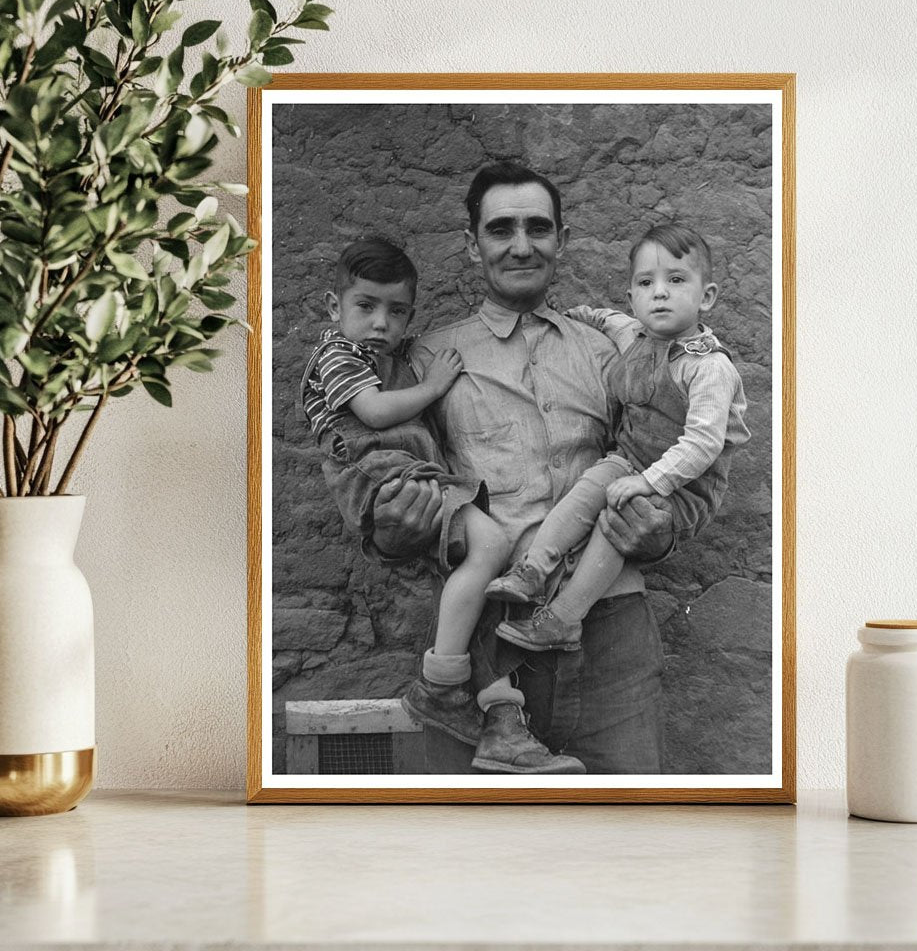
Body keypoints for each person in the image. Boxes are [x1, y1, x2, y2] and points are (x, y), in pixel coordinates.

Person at [370, 163, 728, 774]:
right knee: (478, 833)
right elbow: (390, 478)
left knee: (629, 824)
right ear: (472, 244)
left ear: (561, 240)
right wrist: (391, 527)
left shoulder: (619, 352)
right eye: (500, 229)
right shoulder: (429, 359)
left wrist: (664, 528)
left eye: (537, 228)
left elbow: (686, 459)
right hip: (486, 646)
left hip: (611, 638)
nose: (521, 245)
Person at [300, 238, 520, 757]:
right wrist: (435, 385)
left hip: (407, 472)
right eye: (366, 306)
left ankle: (493, 700)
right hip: (380, 473)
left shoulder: (383, 354)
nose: (381, 323)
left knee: (473, 576)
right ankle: (441, 684)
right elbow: (374, 413)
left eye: (396, 312)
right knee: (491, 545)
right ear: (334, 307)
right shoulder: (338, 354)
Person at [488, 221, 751, 652]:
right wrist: (572, 317)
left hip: (684, 489)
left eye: (676, 280)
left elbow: (703, 444)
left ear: (706, 297)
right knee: (587, 488)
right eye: (646, 283)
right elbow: (606, 319)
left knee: (618, 520)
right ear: (632, 299)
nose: (659, 293)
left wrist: (647, 482)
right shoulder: (635, 335)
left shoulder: (708, 367)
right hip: (631, 459)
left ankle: (563, 619)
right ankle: (533, 569)